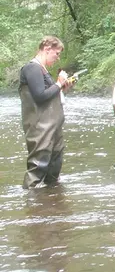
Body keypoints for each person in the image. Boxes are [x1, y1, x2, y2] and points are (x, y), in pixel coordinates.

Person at [19, 36, 72, 189]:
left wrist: (62, 87)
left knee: (54, 165)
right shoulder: (32, 68)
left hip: (53, 126)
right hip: (39, 126)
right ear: (47, 49)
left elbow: (49, 93)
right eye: (57, 53)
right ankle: (31, 203)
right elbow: (40, 96)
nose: (58, 57)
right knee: (38, 165)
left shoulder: (43, 70)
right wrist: (58, 83)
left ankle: (51, 200)